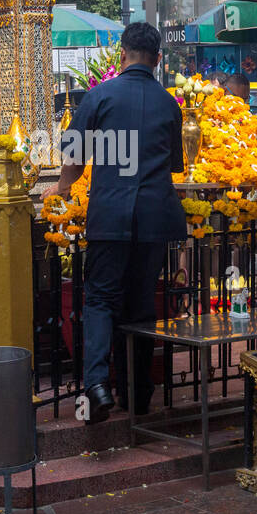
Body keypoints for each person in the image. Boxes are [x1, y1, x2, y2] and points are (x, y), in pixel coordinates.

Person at [53, 22, 184, 422]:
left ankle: (97, 385)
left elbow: (73, 159)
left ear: (122, 55)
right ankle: (138, 393)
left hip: (110, 215)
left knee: (101, 300)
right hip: (155, 218)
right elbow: (175, 166)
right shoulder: (169, 105)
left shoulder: (98, 97)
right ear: (158, 60)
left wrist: (59, 189)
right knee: (142, 306)